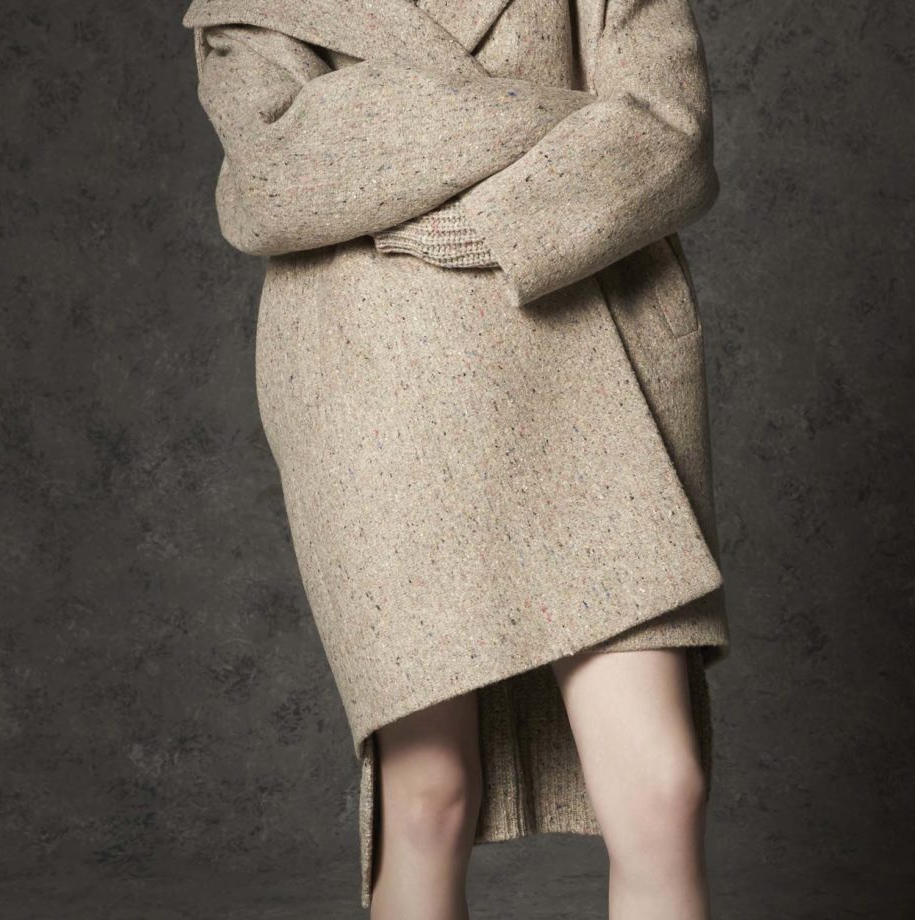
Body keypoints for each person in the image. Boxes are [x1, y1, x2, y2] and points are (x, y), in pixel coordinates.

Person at [181, 1, 731, 917]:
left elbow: (668, 133)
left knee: (661, 790)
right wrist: (563, 119)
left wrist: (508, 221)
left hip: (586, 358)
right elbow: (272, 175)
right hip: (376, 381)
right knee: (429, 795)